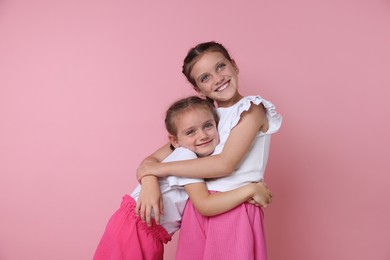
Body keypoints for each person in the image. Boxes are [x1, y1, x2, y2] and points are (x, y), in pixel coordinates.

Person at [136, 41, 282, 260]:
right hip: (200, 208)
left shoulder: (251, 109)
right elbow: (148, 163)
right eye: (205, 78)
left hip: (234, 207)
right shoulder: (204, 121)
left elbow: (225, 164)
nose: (217, 78)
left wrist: (160, 170)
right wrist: (149, 180)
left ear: (234, 65)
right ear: (198, 89)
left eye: (221, 66)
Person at [93, 96, 272, 260]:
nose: (202, 136)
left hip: (145, 231)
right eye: (190, 132)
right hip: (135, 230)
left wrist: (150, 177)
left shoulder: (191, 157)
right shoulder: (185, 156)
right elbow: (205, 205)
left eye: (208, 126)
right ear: (175, 140)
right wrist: (251, 189)